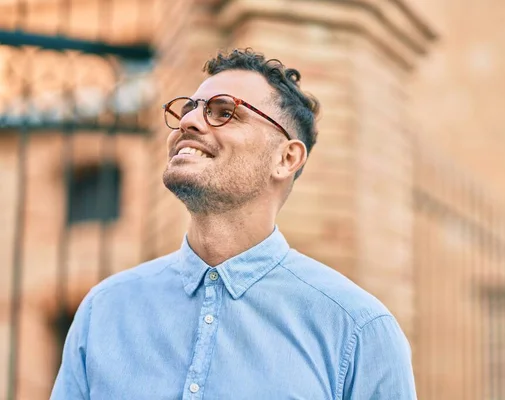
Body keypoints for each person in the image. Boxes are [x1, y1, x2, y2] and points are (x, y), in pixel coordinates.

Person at [51, 48, 417, 399]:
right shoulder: (104, 310)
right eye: (189, 110)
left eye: (224, 111)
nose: (189, 121)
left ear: (286, 158)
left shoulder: (358, 328)